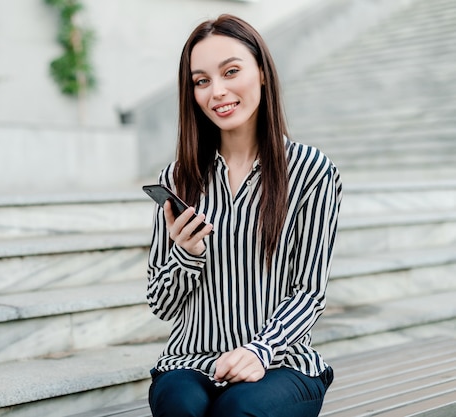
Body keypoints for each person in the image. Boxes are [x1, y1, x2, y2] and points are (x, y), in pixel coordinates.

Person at [145, 14, 342, 417]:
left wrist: (259, 350)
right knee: (181, 406)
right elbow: (161, 304)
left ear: (262, 73)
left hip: (282, 361)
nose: (217, 91)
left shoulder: (310, 170)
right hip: (191, 360)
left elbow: (309, 292)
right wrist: (186, 252)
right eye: (201, 81)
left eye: (230, 71)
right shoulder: (178, 177)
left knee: (238, 409)